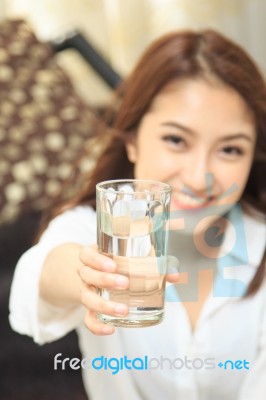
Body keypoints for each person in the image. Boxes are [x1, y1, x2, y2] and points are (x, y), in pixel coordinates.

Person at [9, 28, 266, 400]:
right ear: (131, 140)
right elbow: (37, 282)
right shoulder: (92, 226)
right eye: (176, 140)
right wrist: (86, 275)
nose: (199, 177)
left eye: (230, 150)